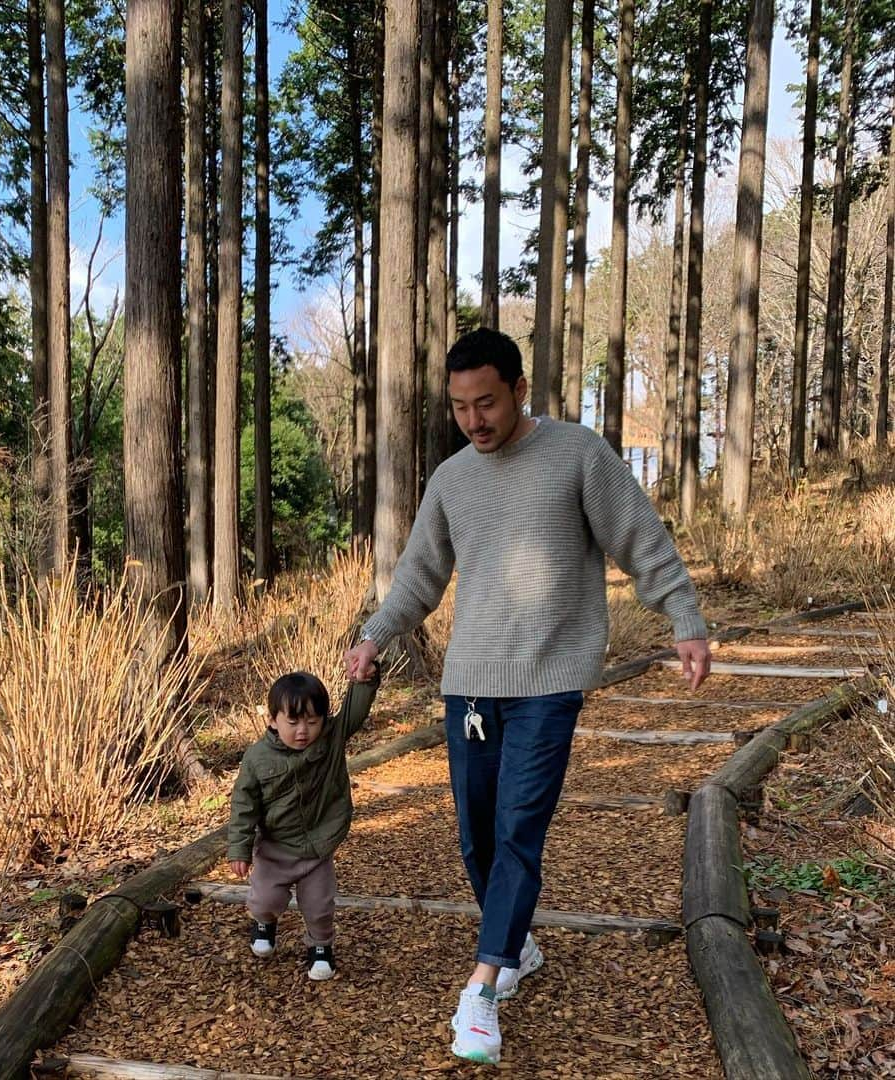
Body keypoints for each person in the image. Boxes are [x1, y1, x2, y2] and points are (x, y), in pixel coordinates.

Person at [344, 327, 711, 1065]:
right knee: (477, 835)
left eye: (486, 402)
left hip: (550, 678)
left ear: (517, 389)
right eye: (459, 407)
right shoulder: (451, 480)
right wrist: (374, 635)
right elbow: (419, 576)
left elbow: (641, 538)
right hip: (471, 687)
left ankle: (481, 989)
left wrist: (685, 618)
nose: (474, 420)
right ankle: (515, 943)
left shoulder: (576, 454)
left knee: (518, 828)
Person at [227, 666, 380, 981]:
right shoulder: (257, 758)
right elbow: (244, 805)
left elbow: (354, 710)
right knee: (266, 898)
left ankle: (320, 945)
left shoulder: (329, 741)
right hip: (275, 848)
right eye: (293, 722)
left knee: (319, 904)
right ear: (272, 720)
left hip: (317, 846)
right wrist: (239, 849)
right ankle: (264, 923)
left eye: (312, 722)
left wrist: (365, 679)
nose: (303, 731)